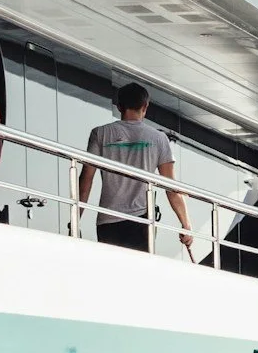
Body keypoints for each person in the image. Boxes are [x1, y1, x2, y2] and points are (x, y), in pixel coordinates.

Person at [78, 83, 193, 256]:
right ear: (145, 106)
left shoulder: (100, 134)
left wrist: (76, 215)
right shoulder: (159, 138)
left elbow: (86, 178)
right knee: (139, 277)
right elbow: (171, 187)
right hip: (140, 221)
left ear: (119, 106)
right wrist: (186, 224)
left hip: (107, 219)